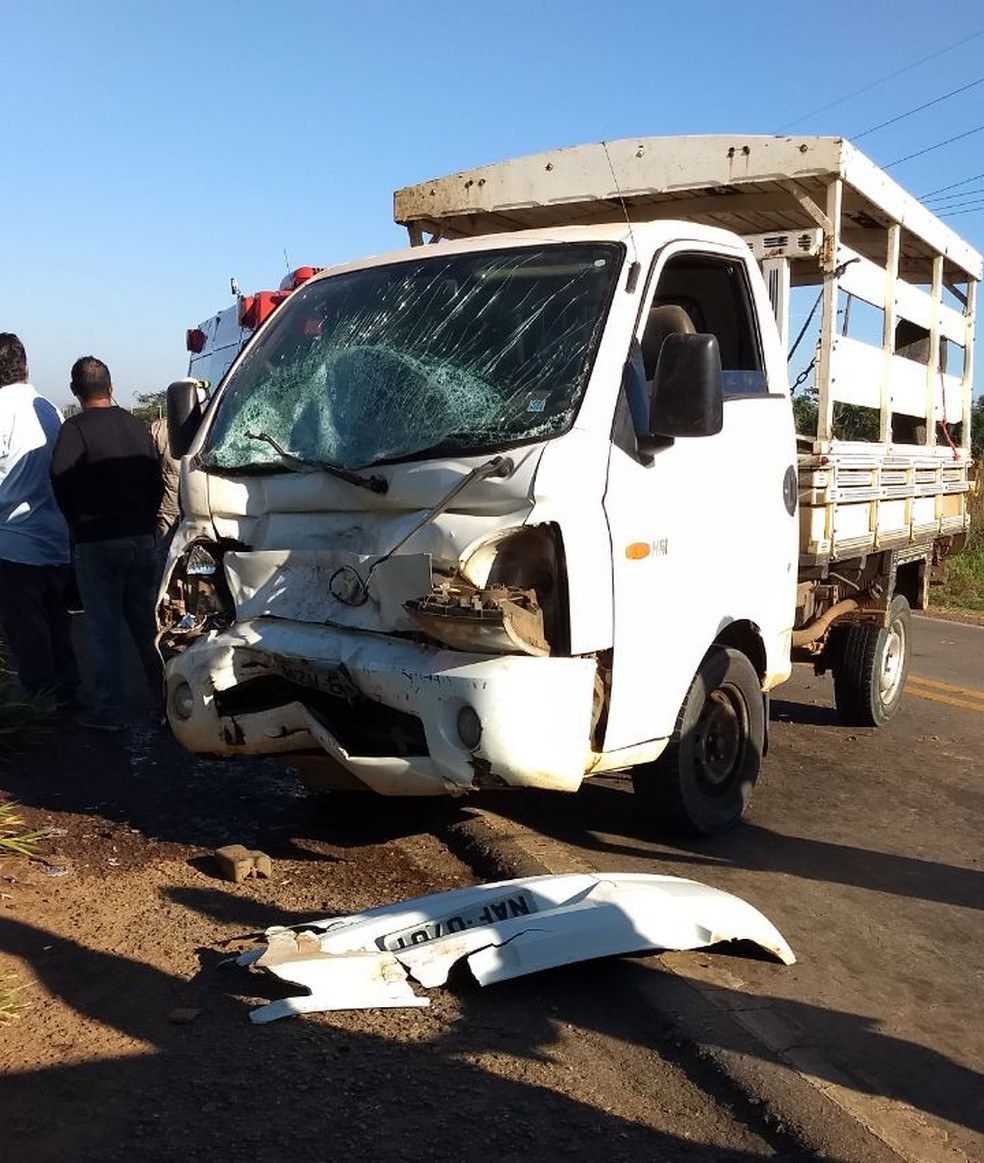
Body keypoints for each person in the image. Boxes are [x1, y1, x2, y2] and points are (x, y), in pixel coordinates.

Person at [50, 356, 164, 731]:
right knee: (148, 627)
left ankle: (108, 711)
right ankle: (168, 704)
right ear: (111, 387)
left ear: (74, 391)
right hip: (141, 540)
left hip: (97, 542)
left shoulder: (75, 429)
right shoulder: (135, 425)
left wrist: (74, 521)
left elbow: (60, 477)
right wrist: (146, 524)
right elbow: (156, 479)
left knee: (103, 630)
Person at [0, 333, 79, 706]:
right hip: (54, 535)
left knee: (27, 628)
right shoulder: (49, 408)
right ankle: (68, 690)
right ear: (26, 366)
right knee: (57, 621)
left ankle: (40, 701)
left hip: (13, 540)